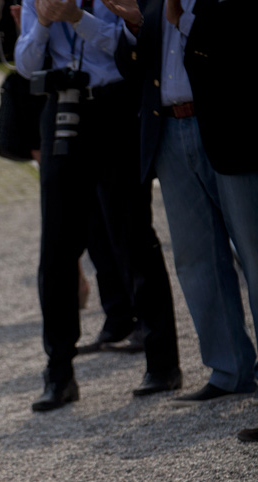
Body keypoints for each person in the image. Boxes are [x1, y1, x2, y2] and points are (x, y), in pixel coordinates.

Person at [15, 0, 181, 411]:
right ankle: (58, 371)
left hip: (114, 107)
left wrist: (77, 18)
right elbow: (24, 63)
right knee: (56, 246)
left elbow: (127, 49)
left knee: (133, 234)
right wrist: (41, 22)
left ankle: (162, 362)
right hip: (61, 109)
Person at [106, 0, 258, 406]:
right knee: (195, 261)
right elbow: (130, 67)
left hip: (229, 128)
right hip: (169, 131)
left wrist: (184, 18)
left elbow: (239, 44)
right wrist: (134, 26)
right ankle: (230, 370)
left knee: (254, 255)